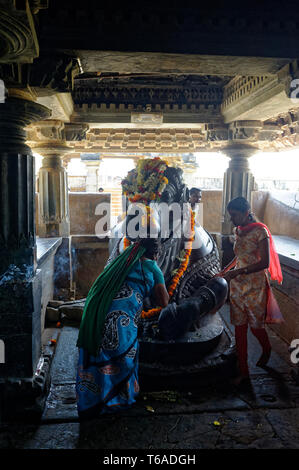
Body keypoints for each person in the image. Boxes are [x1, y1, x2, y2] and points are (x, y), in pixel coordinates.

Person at [76, 237, 169, 419]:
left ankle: (91, 400)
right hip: (120, 321)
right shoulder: (152, 267)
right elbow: (164, 301)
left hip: (96, 314)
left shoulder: (122, 261)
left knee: (100, 355)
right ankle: (116, 400)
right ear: (156, 254)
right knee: (123, 357)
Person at [216, 197, 283, 386]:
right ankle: (244, 371)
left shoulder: (260, 232)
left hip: (255, 285)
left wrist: (237, 272)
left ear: (246, 212)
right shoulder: (238, 231)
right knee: (239, 328)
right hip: (238, 285)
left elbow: (265, 263)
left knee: (255, 326)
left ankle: (267, 348)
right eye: (231, 216)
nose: (233, 220)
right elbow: (240, 258)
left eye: (235, 215)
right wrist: (225, 272)